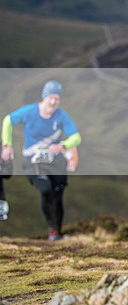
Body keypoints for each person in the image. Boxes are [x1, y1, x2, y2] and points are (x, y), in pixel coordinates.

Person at [1, 80, 82, 240]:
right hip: (33, 161)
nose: (53, 102)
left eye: (56, 99)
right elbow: (8, 121)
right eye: (50, 97)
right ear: (44, 97)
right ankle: (52, 230)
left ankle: (57, 233)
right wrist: (7, 145)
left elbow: (76, 137)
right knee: (45, 190)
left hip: (56, 161)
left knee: (58, 195)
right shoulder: (30, 112)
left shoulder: (61, 116)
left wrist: (63, 145)